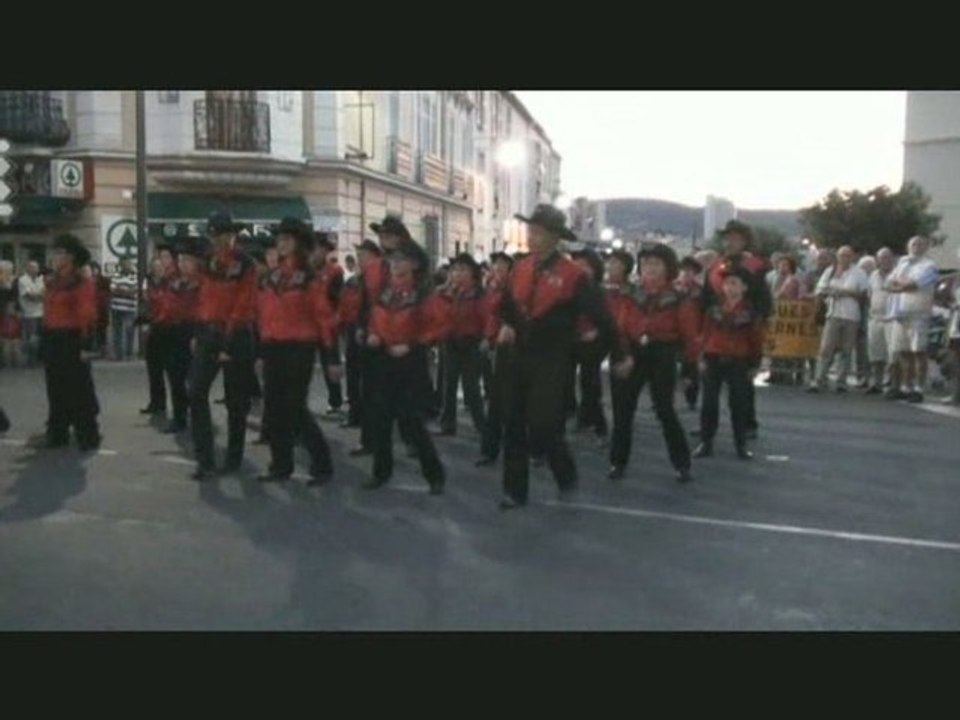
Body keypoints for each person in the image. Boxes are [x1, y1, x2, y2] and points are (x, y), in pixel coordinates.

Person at [495, 204, 631, 510]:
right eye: (531, 231)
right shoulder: (521, 268)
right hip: (519, 354)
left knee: (543, 424)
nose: (533, 237)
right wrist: (505, 325)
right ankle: (514, 491)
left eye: (540, 232)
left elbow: (602, 316)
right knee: (513, 422)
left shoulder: (574, 275)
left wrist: (619, 353)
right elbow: (506, 305)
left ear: (555, 237)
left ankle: (565, 472)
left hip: (553, 356)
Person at [256, 218, 339, 485]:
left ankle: (322, 464)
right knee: (274, 408)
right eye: (279, 239)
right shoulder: (272, 277)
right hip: (273, 347)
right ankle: (280, 465)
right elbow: (263, 315)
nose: (281, 244)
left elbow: (324, 319)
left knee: (294, 408)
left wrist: (332, 358)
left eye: (287, 240)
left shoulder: (310, 279)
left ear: (300, 244)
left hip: (299, 348)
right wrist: (260, 350)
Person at [608, 245, 699, 483]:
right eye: (646, 264)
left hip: (663, 353)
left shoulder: (679, 299)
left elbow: (689, 335)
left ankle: (682, 464)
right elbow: (620, 327)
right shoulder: (631, 295)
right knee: (623, 409)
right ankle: (618, 462)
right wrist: (623, 354)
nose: (650, 269)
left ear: (668, 269)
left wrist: (690, 368)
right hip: (633, 352)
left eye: (656, 264)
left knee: (665, 409)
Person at [363, 250, 446, 494]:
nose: (396, 270)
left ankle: (435, 475)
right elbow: (376, 318)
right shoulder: (386, 293)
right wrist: (373, 334)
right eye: (394, 265)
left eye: (402, 265)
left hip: (410, 361)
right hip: (384, 360)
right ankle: (381, 472)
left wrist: (412, 344)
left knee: (411, 423)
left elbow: (439, 327)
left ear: (414, 269)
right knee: (381, 420)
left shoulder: (424, 296)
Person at [187, 211, 258, 481]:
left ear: (231, 236)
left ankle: (233, 457)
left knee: (235, 401)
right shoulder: (208, 262)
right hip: (208, 332)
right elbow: (202, 299)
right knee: (195, 391)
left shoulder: (245, 264)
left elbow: (244, 305)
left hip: (236, 335)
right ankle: (204, 458)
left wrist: (227, 342)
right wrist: (197, 331)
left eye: (221, 235)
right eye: (213, 235)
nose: (217, 240)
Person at [701, 221, 772, 439]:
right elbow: (707, 296)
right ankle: (708, 427)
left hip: (743, 325)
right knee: (710, 388)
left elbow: (762, 299)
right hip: (718, 324)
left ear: (744, 241)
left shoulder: (756, 266)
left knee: (742, 386)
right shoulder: (716, 266)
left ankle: (747, 424)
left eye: (734, 238)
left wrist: (755, 319)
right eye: (727, 238)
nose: (729, 242)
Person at [693, 266, 764, 461]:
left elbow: (756, 339)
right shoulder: (714, 309)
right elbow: (704, 334)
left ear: (744, 288)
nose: (729, 288)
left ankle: (740, 444)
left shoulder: (749, 312)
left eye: (734, 283)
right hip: (713, 357)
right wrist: (700, 357)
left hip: (738, 360)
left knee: (738, 404)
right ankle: (706, 442)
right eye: (726, 283)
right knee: (709, 402)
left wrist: (754, 364)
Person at [41, 235, 101, 451]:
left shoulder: (80, 282)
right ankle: (58, 431)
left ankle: (87, 433)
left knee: (79, 388)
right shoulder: (53, 281)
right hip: (53, 338)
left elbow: (88, 314)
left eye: (58, 253)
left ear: (70, 256)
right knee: (55, 387)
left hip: (72, 338)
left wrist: (86, 344)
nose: (54, 257)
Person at [432, 253, 488, 438]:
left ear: (473, 273)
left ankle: (483, 427)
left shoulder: (478, 294)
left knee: (471, 388)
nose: (458, 273)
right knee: (448, 385)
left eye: (463, 269)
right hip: (450, 342)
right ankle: (448, 423)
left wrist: (486, 339)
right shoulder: (448, 292)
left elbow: (486, 318)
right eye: (455, 269)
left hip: (471, 343)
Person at [884, 235, 940, 403]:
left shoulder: (929, 266)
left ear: (925, 247)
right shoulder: (902, 263)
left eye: (919, 244)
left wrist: (899, 285)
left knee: (918, 352)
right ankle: (905, 386)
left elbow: (915, 285)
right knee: (903, 351)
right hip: (900, 313)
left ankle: (918, 388)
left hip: (919, 313)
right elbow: (888, 283)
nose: (915, 247)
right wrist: (902, 284)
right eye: (913, 244)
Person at [808, 245, 870, 394]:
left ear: (852, 257)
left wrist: (846, 292)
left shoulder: (859, 273)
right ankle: (819, 379)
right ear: (837, 257)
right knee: (826, 348)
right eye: (842, 255)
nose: (844, 258)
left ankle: (841, 381)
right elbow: (820, 290)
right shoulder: (830, 271)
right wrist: (831, 292)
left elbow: (864, 294)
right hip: (833, 313)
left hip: (852, 316)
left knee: (846, 350)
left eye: (848, 256)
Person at [160, 237, 204, 435]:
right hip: (173, 332)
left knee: (194, 381)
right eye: (181, 260)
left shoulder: (203, 284)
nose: (183, 264)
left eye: (187, 260)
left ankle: (197, 417)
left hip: (194, 332)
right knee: (175, 377)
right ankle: (179, 417)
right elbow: (167, 307)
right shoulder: (175, 283)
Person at [475, 251, 514, 466]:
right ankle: (490, 450)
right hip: (491, 347)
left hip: (507, 349)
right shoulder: (491, 289)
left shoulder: (512, 291)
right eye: (495, 266)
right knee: (495, 401)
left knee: (506, 402)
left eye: (501, 267)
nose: (497, 270)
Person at [567, 248, 609, 444]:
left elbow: (608, 319)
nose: (580, 269)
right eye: (577, 265)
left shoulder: (599, 291)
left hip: (593, 343)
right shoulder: (568, 290)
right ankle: (580, 416)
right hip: (571, 340)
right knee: (565, 381)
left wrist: (596, 332)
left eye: (585, 265)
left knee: (590, 383)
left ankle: (599, 426)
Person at [339, 240, 378, 433]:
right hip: (352, 331)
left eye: (363, 255)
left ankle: (369, 420)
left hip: (369, 333)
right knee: (353, 376)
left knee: (369, 380)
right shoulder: (353, 281)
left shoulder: (377, 281)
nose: (360, 259)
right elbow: (344, 305)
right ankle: (355, 414)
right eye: (358, 255)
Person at [309, 232, 346, 419]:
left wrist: (334, 321)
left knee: (330, 361)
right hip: (307, 324)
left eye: (318, 249)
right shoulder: (305, 271)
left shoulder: (334, 272)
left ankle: (336, 401)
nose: (315, 253)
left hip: (327, 324)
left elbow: (338, 300)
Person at [141, 248, 177, 416]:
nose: (162, 260)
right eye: (160, 257)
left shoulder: (173, 279)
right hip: (156, 325)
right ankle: (157, 402)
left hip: (170, 327)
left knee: (173, 370)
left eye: (166, 257)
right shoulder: (153, 280)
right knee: (153, 365)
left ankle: (180, 409)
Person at [865, 248, 896, 395]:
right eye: (882, 258)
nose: (885, 261)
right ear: (877, 260)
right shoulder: (873, 275)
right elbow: (869, 294)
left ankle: (892, 383)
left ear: (892, 259)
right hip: (875, 318)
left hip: (892, 319)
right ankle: (876, 383)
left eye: (887, 258)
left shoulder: (897, 275)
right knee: (875, 354)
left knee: (893, 354)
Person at [768, 255, 802, 384]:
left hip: (788, 317)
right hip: (777, 317)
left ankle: (787, 375)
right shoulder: (775, 278)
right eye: (780, 264)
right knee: (775, 345)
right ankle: (775, 373)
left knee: (788, 347)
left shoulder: (792, 279)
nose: (782, 267)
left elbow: (781, 295)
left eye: (785, 265)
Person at [676, 255, 704, 409]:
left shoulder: (700, 292)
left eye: (690, 271)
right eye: (684, 271)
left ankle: (691, 398)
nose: (686, 274)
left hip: (693, 335)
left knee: (691, 368)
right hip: (674, 333)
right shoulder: (674, 289)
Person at [109, 257, 139, 361]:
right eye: (124, 263)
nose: (126, 265)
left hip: (130, 308)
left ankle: (129, 353)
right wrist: (127, 291)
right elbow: (113, 290)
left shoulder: (135, 276)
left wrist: (122, 290)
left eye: (128, 263)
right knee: (117, 331)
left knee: (129, 330)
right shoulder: (116, 276)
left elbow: (136, 291)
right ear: (120, 265)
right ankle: (118, 354)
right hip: (116, 307)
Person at [17, 260, 45, 367]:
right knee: (32, 338)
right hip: (29, 314)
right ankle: (31, 360)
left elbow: (44, 293)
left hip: (41, 312)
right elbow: (29, 297)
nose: (34, 269)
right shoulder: (22, 280)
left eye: (36, 267)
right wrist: (40, 296)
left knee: (40, 337)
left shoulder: (40, 279)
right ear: (27, 268)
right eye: (32, 267)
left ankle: (39, 359)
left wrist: (39, 296)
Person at [0, 261, 21, 369]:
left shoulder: (15, 280)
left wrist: (15, 309)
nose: (9, 271)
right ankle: (5, 361)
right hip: (3, 311)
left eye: (10, 269)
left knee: (12, 337)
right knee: (4, 338)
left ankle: (13, 362)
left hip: (11, 311)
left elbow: (16, 296)